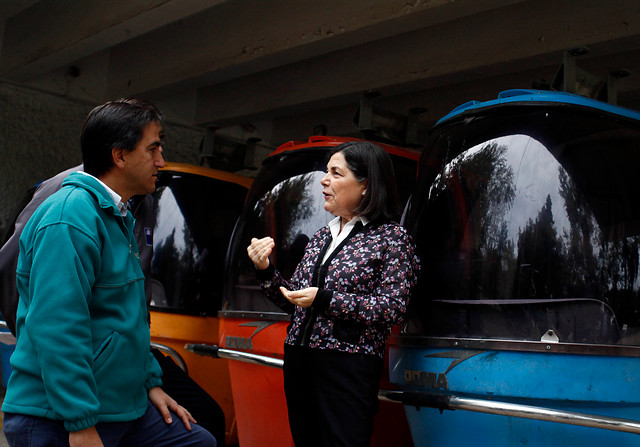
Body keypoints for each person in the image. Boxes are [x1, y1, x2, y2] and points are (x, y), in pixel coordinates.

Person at [1, 99, 216, 447]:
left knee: (199, 441)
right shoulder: (70, 216)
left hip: (121, 408)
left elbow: (127, 317)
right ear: (120, 156)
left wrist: (151, 383)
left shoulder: (117, 215)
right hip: (57, 418)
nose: (161, 161)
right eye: (153, 148)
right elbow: (57, 327)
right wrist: (80, 423)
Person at [247, 141, 421, 446]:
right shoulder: (321, 236)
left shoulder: (392, 239)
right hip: (300, 359)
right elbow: (294, 301)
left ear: (366, 185)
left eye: (336, 173)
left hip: (346, 366)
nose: (324, 180)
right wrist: (264, 269)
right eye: (326, 172)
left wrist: (324, 298)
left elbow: (392, 308)